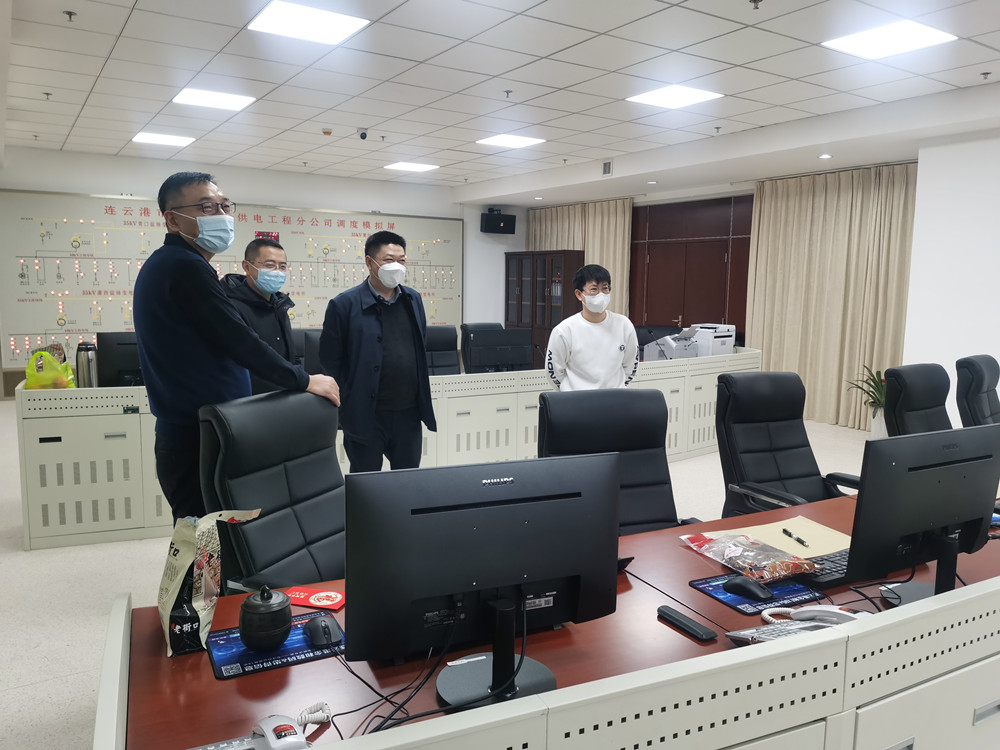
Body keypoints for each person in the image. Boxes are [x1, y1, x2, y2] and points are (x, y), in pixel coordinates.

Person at [134, 171, 339, 521]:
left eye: (224, 205)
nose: (221, 215)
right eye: (206, 207)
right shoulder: (185, 267)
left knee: (207, 535)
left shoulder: (173, 263)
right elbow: (239, 340)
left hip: (198, 429)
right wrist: (304, 380)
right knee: (206, 537)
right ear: (172, 220)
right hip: (197, 435)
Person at [319, 230, 436, 473]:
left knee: (407, 481)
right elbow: (330, 360)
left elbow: (419, 345)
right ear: (369, 262)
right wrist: (348, 399)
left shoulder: (413, 299)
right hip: (366, 415)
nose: (396, 266)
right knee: (367, 482)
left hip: (408, 413)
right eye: (388, 260)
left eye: (401, 260)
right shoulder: (344, 304)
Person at [223, 238, 300, 394]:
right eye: (269, 265)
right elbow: (248, 361)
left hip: (286, 396)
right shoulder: (231, 308)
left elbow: (291, 357)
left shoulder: (279, 305)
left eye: (282, 266)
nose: (277, 271)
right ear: (247, 267)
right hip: (253, 400)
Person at [545, 264, 639, 391]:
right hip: (578, 400)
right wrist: (570, 391)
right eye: (594, 289)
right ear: (579, 294)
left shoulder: (624, 325)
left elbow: (631, 367)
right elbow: (554, 373)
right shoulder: (564, 331)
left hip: (615, 398)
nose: (601, 294)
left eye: (605, 288)